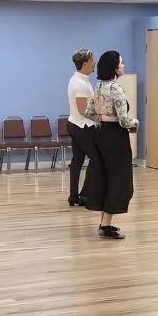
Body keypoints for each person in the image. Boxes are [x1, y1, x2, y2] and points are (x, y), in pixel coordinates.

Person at [82, 51, 137, 239]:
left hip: (100, 134)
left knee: (105, 176)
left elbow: (89, 112)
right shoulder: (116, 89)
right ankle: (105, 226)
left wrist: (102, 118)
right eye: (121, 63)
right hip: (115, 138)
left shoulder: (97, 87)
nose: (123, 66)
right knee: (119, 178)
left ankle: (105, 223)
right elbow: (123, 121)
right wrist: (135, 123)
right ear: (114, 67)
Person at [66, 49, 95, 207]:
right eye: (92, 60)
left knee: (77, 160)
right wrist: (101, 116)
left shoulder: (79, 79)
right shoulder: (80, 84)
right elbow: (83, 110)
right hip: (82, 126)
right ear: (85, 64)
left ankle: (73, 196)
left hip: (74, 123)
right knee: (97, 159)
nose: (94, 63)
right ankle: (84, 195)